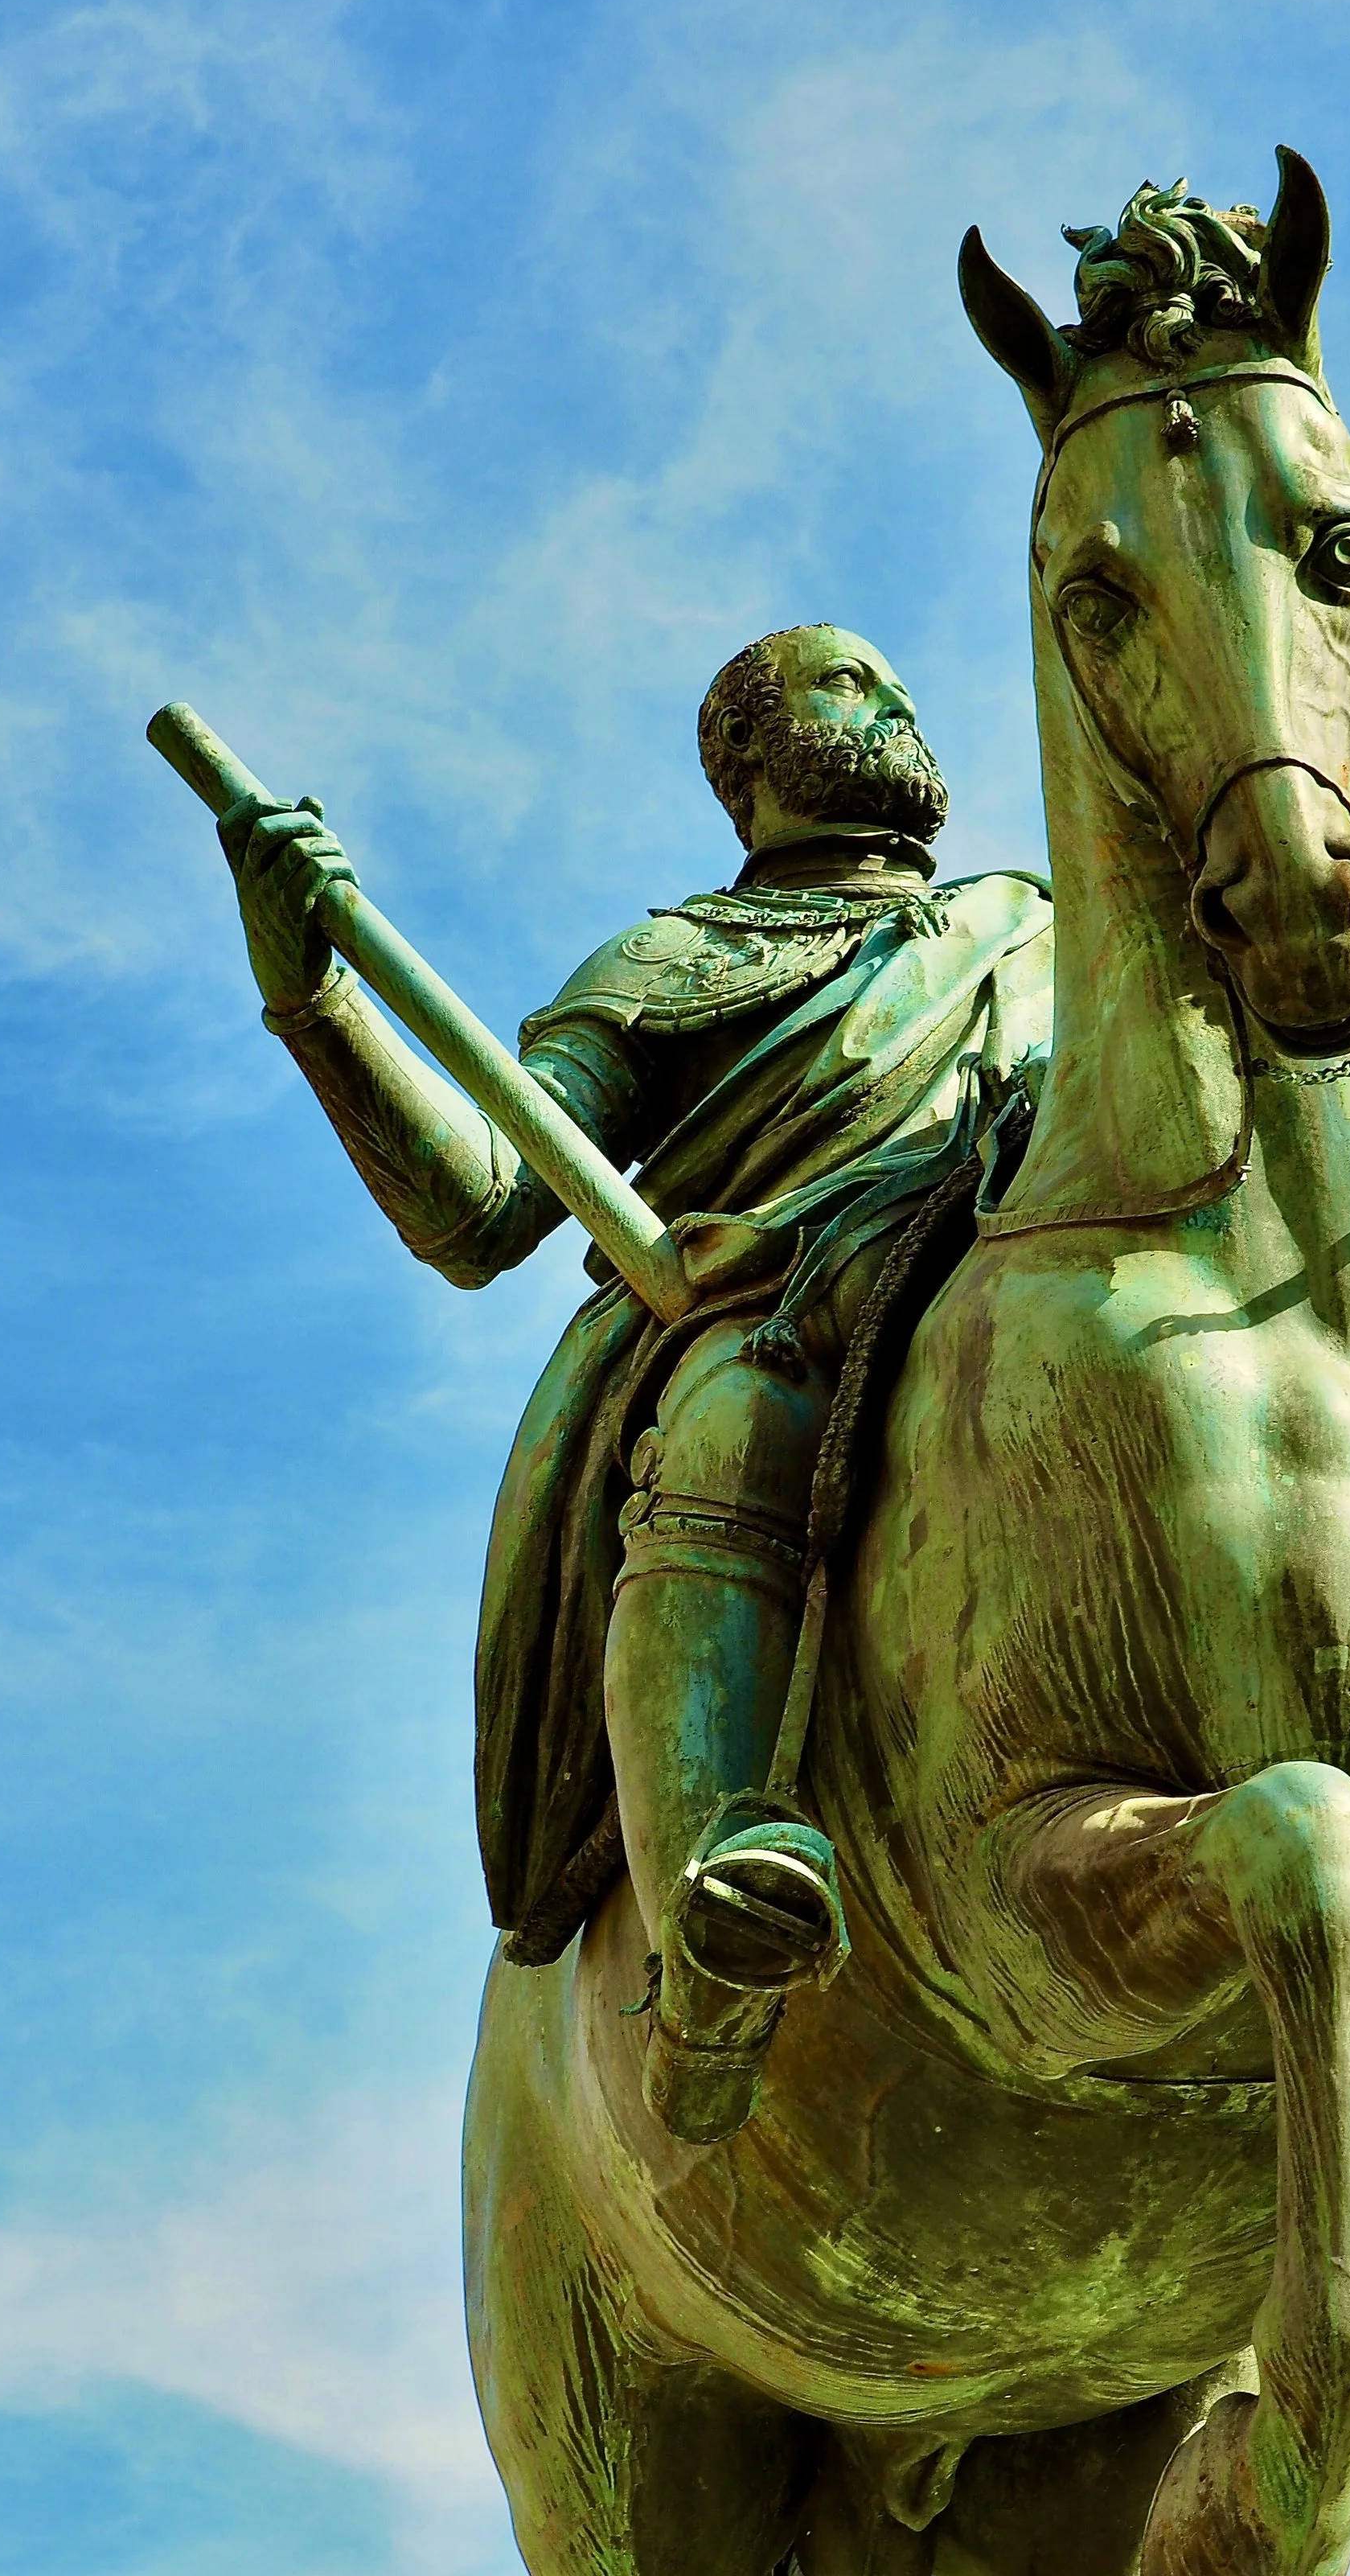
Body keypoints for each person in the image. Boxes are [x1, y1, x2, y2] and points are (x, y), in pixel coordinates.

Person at [220, 626, 1053, 2139]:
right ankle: (715, 1902)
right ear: (745, 758)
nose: (898, 700)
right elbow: (482, 1203)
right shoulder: (675, 961)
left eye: (895, 682)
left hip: (1037, 1269)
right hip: (794, 1311)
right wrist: (316, 1002)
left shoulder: (1036, 923)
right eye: (847, 683)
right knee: (732, 1411)